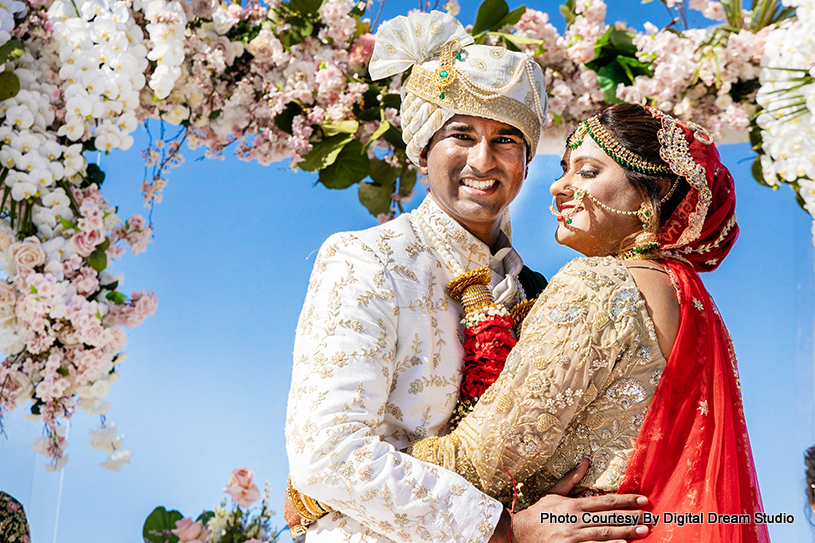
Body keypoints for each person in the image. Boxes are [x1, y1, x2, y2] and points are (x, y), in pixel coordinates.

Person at [284, 11, 648, 543]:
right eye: (461, 134)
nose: (484, 159)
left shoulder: (538, 292)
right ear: (423, 150)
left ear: (526, 162)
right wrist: (506, 532)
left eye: (506, 139)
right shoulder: (369, 257)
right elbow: (329, 453)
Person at [407, 103, 770, 542]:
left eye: (588, 172)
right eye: (564, 169)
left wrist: (332, 487)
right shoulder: (693, 303)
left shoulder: (599, 284)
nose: (559, 187)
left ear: (654, 190)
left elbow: (484, 463)